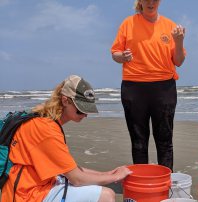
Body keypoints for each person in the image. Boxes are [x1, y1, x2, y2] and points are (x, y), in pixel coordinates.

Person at [1, 75, 132, 202]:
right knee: (107, 195)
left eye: (88, 109)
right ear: (65, 101)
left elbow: (70, 169)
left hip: (27, 186)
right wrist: (114, 177)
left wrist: (109, 174)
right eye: (81, 109)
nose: (85, 114)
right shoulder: (46, 130)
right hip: (26, 195)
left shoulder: (42, 118)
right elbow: (77, 178)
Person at [110, 0, 186, 171]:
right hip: (134, 88)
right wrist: (122, 56)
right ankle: (142, 184)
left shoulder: (170, 26)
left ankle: (165, 182)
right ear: (140, 2)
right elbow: (115, 53)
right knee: (138, 141)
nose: (151, 2)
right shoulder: (128, 23)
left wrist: (179, 41)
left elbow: (179, 61)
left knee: (165, 140)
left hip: (164, 89)